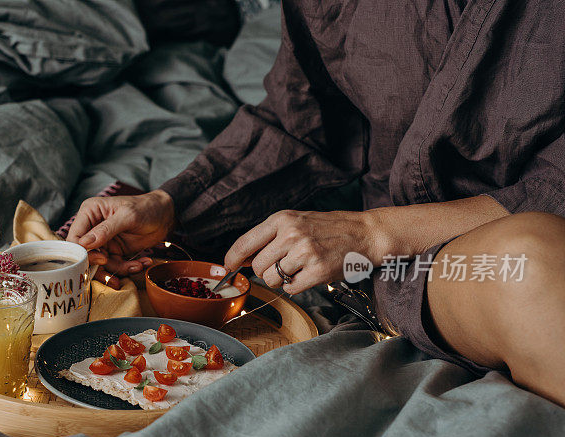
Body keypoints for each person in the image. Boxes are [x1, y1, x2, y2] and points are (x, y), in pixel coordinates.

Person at [67, 0, 565, 407]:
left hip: (439, 238)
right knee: (526, 266)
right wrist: (171, 204)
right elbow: (302, 119)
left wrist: (371, 233)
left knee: (529, 257)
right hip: (420, 271)